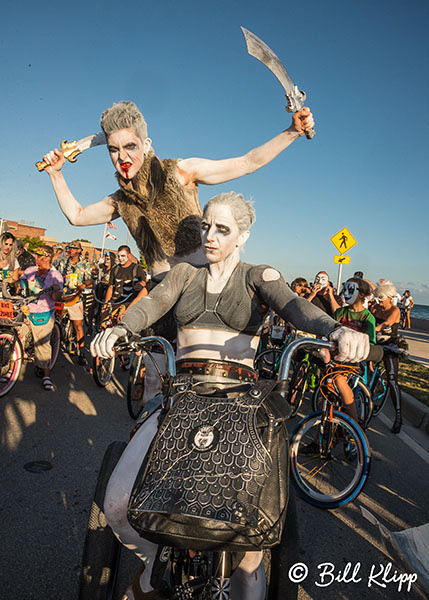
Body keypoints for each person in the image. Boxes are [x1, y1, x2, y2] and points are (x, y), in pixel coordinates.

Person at [91, 192, 369, 600]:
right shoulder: (184, 273)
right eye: (207, 226)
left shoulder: (259, 275)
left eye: (223, 229)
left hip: (240, 405)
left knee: (251, 549)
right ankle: (156, 569)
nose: (211, 236)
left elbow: (294, 306)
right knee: (117, 506)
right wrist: (120, 329)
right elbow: (153, 304)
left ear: (243, 235)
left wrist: (336, 330)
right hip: (181, 397)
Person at [41, 101, 315, 278]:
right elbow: (76, 216)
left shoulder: (181, 171)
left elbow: (246, 163)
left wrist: (291, 131)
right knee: (150, 366)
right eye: (114, 150)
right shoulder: (121, 201)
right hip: (162, 293)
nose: (122, 157)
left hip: (205, 285)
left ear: (146, 144)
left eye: (130, 147)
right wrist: (56, 175)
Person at [332, 277, 381, 422]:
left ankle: (353, 423)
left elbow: (369, 343)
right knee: (325, 394)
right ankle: (320, 439)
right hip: (335, 357)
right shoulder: (340, 312)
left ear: (361, 294)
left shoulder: (367, 317)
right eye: (344, 289)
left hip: (353, 360)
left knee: (339, 380)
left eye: (351, 290)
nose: (346, 293)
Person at [20, 246, 63, 390]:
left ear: (47, 257)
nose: (36, 258)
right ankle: (10, 368)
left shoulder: (55, 275)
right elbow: (21, 284)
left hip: (43, 313)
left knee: (43, 345)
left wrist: (56, 290)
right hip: (26, 310)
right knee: (17, 338)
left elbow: (57, 297)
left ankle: (46, 375)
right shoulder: (30, 270)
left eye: (39, 256)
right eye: (36, 255)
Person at [371, 280, 403, 433]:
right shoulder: (375, 308)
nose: (380, 302)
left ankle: (398, 415)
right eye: (378, 298)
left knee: (392, 379)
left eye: (382, 299)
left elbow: (387, 324)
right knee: (363, 367)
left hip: (390, 345)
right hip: (376, 344)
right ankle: (366, 397)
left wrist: (375, 328)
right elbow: (367, 320)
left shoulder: (395, 310)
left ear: (389, 297)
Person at [56, 240, 92, 365]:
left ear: (79, 250)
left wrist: (83, 285)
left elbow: (89, 280)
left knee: (78, 326)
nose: (70, 250)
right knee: (55, 322)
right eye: (69, 247)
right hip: (62, 297)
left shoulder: (85, 264)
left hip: (76, 298)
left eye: (73, 248)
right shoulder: (63, 262)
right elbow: (55, 274)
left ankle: (81, 353)